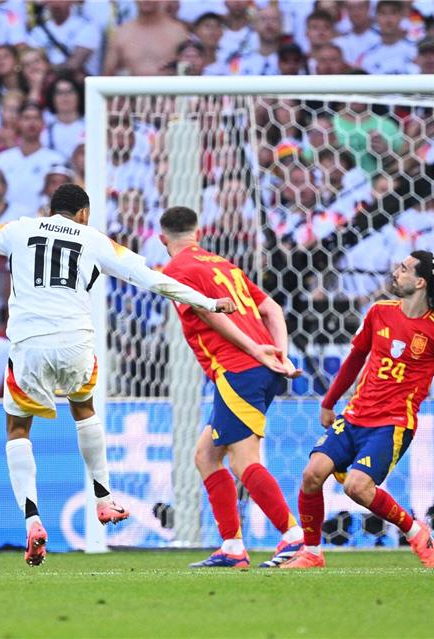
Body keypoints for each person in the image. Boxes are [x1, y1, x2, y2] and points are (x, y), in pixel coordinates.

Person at [0, 184, 237, 566]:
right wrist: (208, 302)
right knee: (84, 409)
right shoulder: (94, 239)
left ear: (49, 210)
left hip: (29, 344)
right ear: (84, 213)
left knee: (18, 429)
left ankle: (33, 520)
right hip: (75, 342)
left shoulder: (18, 229)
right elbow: (151, 278)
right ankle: (104, 499)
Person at [282, 251, 434, 569]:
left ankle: (416, 532)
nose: (395, 272)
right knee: (311, 475)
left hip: (392, 424)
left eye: (403, 269)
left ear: (420, 282)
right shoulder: (379, 312)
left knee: (356, 487)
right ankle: (312, 552)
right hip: (354, 416)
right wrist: (328, 401)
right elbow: (355, 359)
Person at [158, 206, 304, 569]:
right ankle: (232, 547)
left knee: (243, 461)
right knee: (206, 456)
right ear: (199, 233)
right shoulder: (224, 265)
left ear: (163, 240)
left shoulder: (175, 271)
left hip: (240, 369)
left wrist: (256, 350)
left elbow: (208, 313)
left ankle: (294, 537)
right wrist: (279, 353)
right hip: (257, 369)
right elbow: (271, 308)